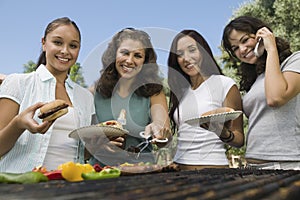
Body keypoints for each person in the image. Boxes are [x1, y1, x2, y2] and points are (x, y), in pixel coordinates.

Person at [0, 17, 95, 173]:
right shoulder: (17, 83)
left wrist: (100, 146)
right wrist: (18, 124)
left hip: (71, 186)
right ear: (44, 43)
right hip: (23, 188)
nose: (65, 51)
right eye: (57, 42)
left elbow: (81, 154)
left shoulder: (85, 97)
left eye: (73, 46)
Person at [222, 16, 300, 170]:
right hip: (254, 164)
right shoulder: (256, 79)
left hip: (287, 164)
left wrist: (271, 48)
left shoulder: (294, 61)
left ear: (261, 35)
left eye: (245, 40)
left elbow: (276, 98)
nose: (242, 50)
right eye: (235, 48)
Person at [89, 28, 172, 166]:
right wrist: (98, 144)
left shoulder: (154, 92)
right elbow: (84, 141)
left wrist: (159, 132)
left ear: (145, 62)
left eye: (138, 56)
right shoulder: (94, 92)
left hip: (142, 171)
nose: (129, 60)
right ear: (114, 55)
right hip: (101, 171)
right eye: (125, 53)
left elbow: (164, 136)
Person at [167, 29, 244, 170]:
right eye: (180, 54)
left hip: (212, 170)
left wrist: (223, 133)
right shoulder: (182, 92)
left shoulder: (224, 84)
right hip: (179, 171)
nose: (186, 58)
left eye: (192, 50)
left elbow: (239, 140)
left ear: (203, 52)